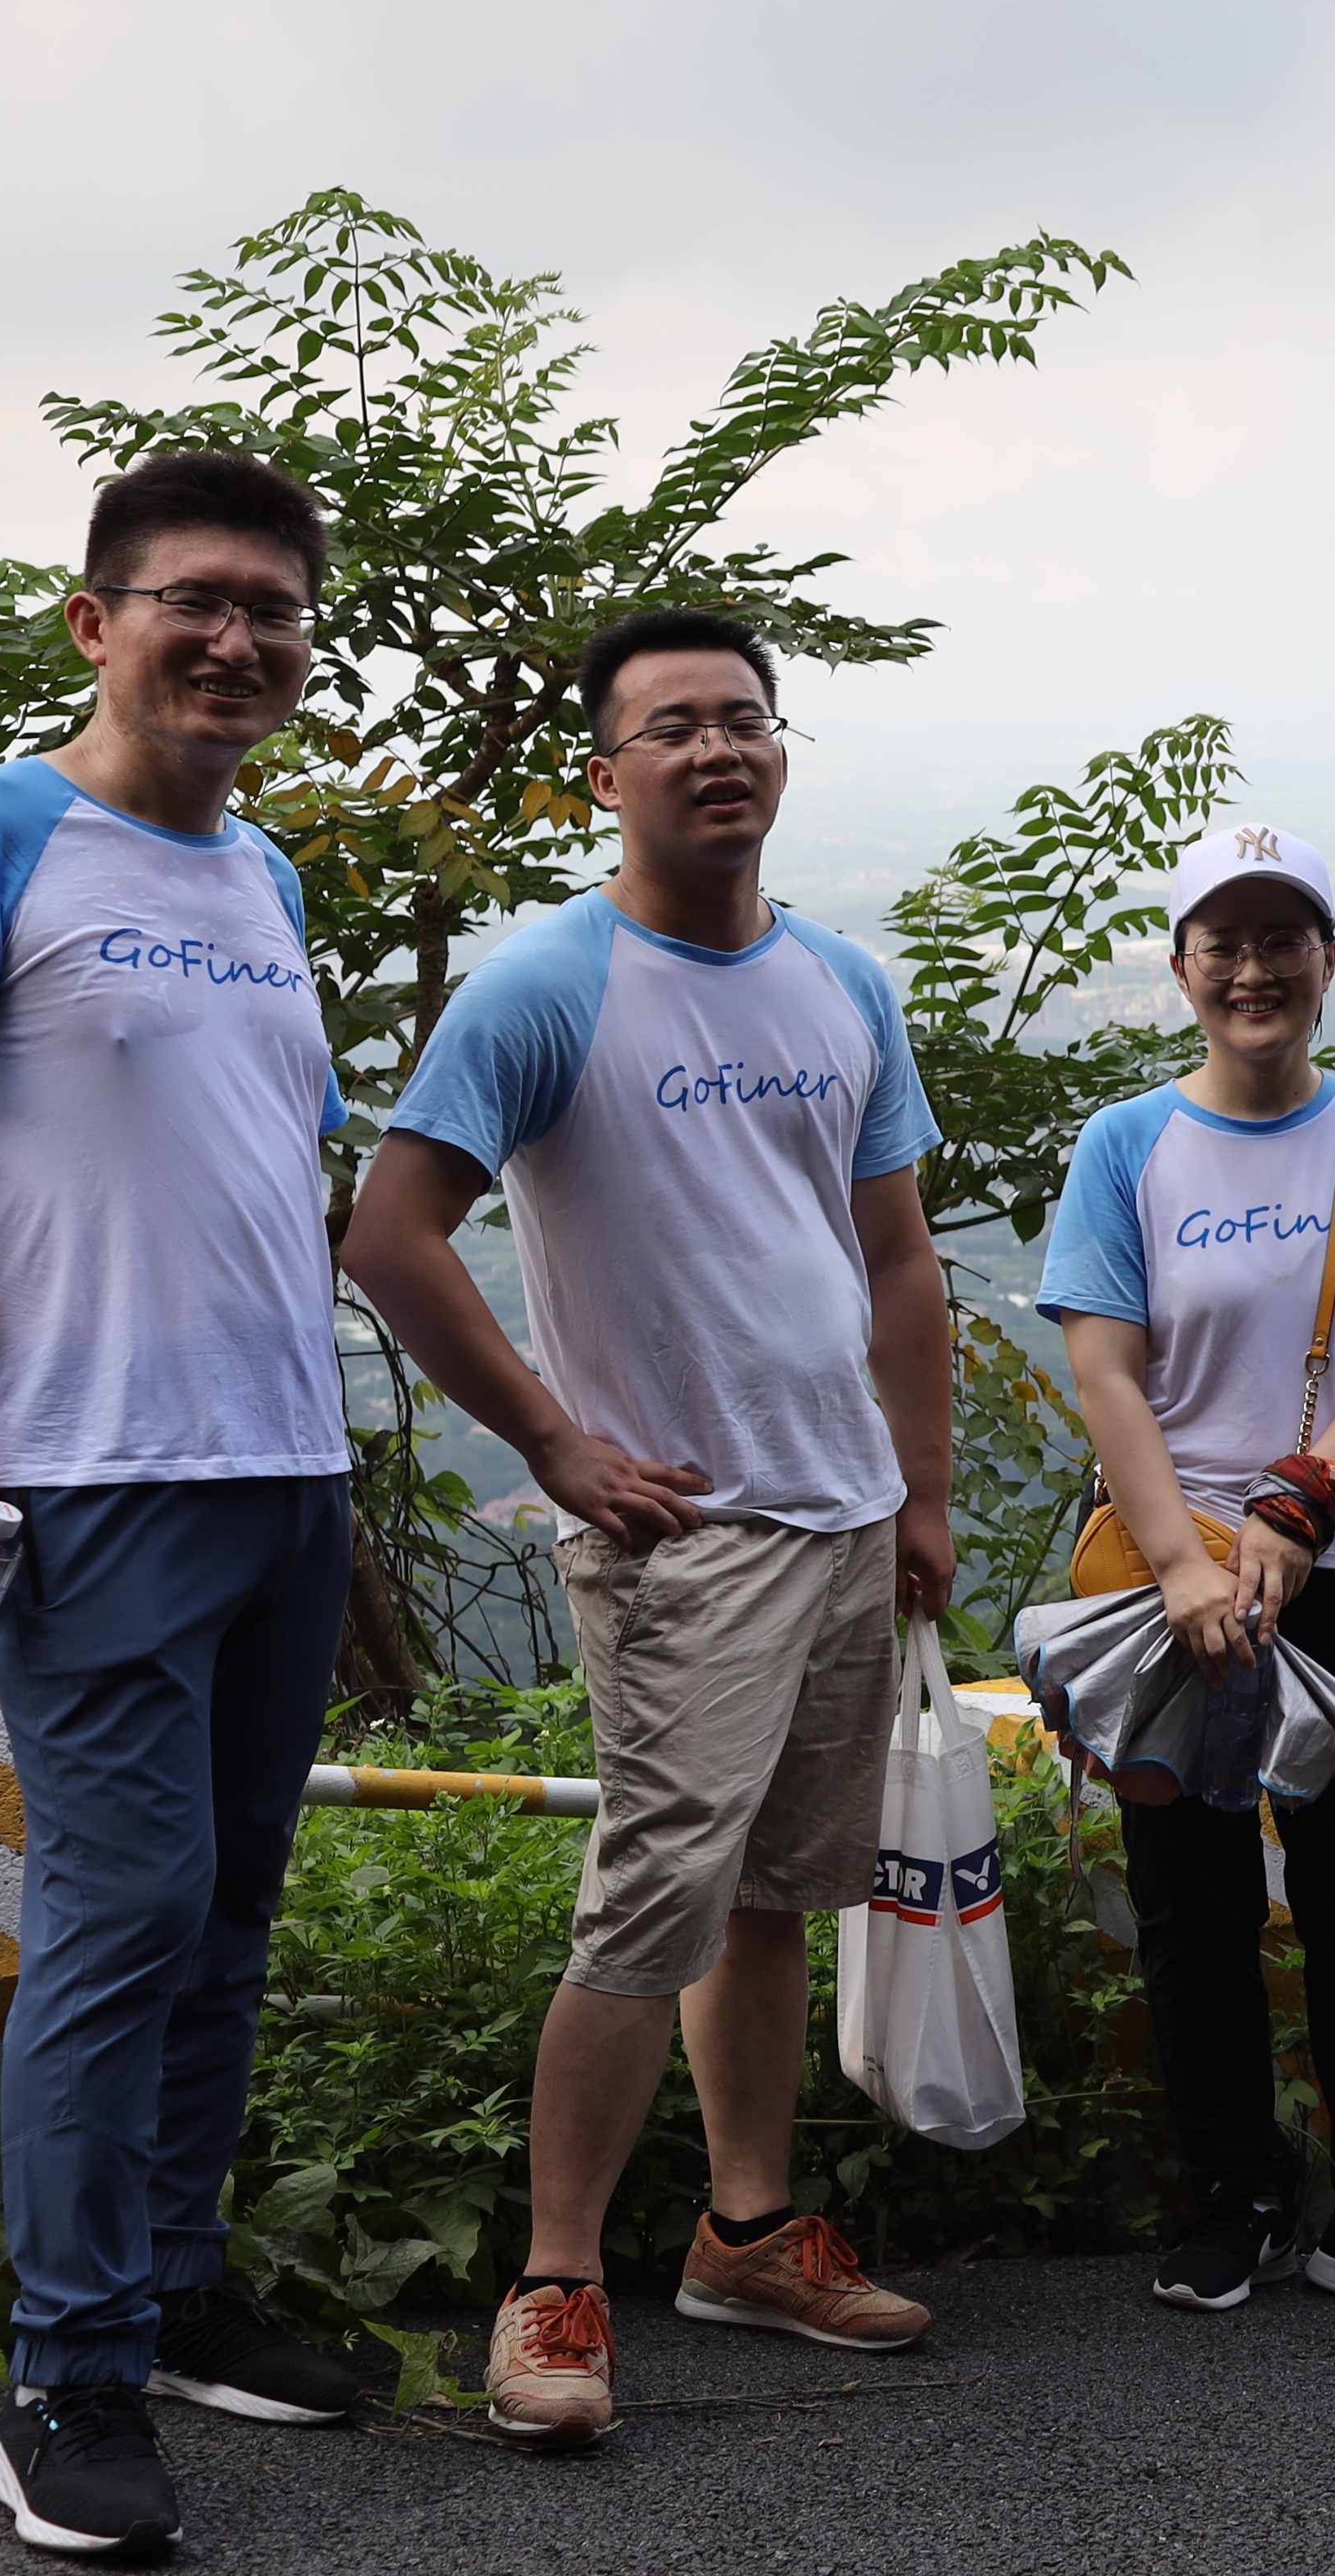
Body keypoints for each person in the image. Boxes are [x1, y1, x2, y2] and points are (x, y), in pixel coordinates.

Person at [344, 607, 956, 2450]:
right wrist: (556, 1444)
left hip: (843, 1511)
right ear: (606, 775)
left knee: (771, 1898)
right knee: (648, 1906)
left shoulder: (841, 983)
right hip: (689, 1532)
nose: (719, 751)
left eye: (748, 722)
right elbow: (389, 1231)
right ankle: (552, 2284)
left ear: (781, 756)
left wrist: (919, 1494)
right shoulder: (548, 987)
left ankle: (749, 2231)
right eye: (674, 727)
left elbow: (899, 1256)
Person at [0, 448, 370, 2556]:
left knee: (229, 1911)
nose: (237, 638)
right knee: (123, 1909)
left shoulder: (267, 881)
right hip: (85, 1476)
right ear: (96, 621)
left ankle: (170, 2292)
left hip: (279, 1473)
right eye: (195, 599)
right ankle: (59, 2377)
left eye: (275, 609)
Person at [1043, 819, 1335, 2329]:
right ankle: (1233, 2192)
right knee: (1191, 1907)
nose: (1254, 970)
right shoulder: (1128, 1142)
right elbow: (1107, 1374)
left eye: (1282, 940)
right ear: (1181, 965)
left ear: (1328, 960)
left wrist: (1301, 1509)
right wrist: (1189, 1560)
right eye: (1223, 942)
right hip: (1167, 1594)